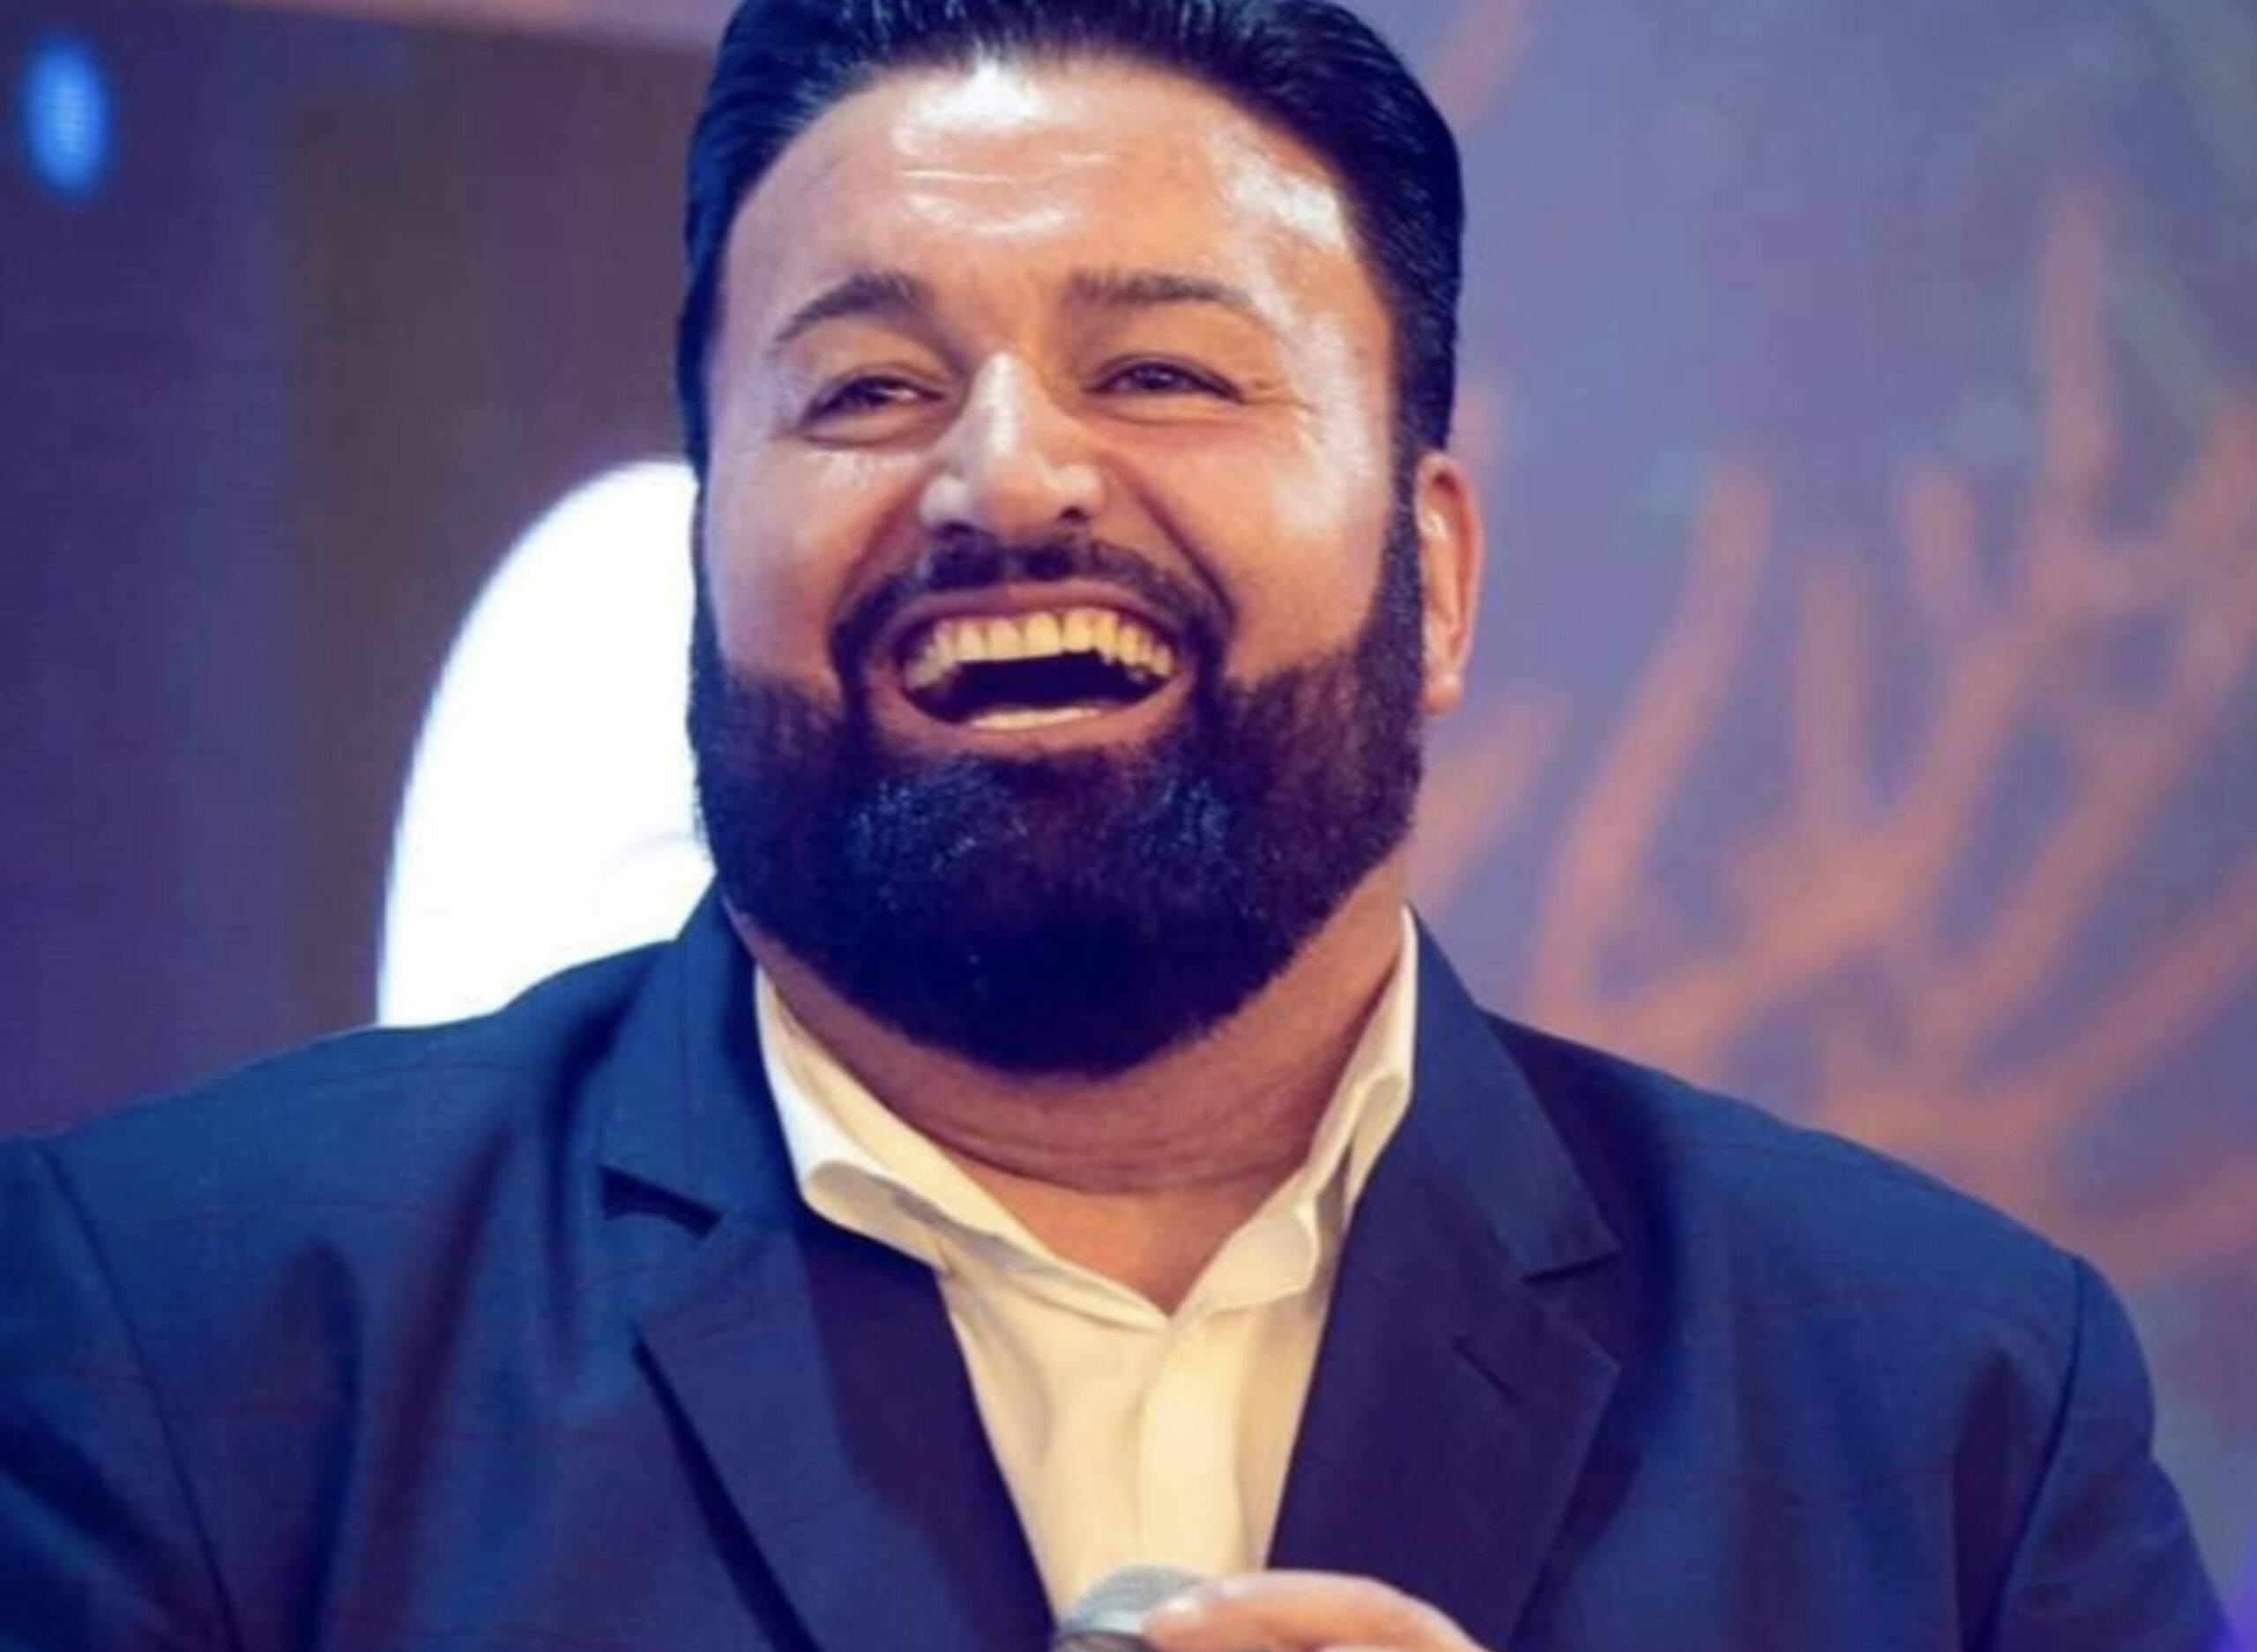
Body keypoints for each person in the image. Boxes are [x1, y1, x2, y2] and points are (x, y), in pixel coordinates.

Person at [0, 0, 2231, 1648]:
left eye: (1159, 370)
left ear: (1434, 575)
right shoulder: (186, 1337)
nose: (1002, 476)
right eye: (865, 389)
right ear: (695, 558)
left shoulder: (1944, 1403)